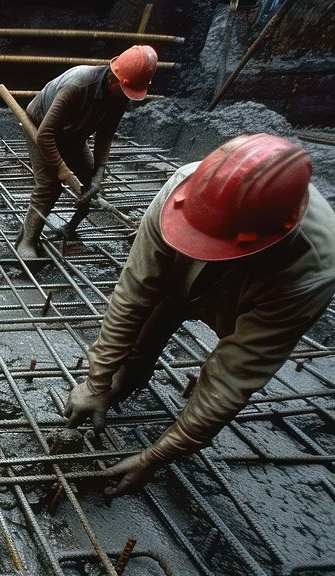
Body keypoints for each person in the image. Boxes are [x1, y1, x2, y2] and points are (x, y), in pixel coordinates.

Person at [64, 134, 335, 495]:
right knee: (143, 340)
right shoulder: (183, 191)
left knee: (211, 384)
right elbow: (134, 292)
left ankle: (137, 384)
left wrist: (157, 455)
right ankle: (130, 376)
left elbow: (232, 376)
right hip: (177, 282)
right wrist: (97, 381)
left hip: (245, 298)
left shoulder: (310, 270)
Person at [16, 44, 159, 260]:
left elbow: (105, 135)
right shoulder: (77, 86)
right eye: (126, 91)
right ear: (113, 79)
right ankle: (26, 242)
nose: (127, 97)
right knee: (49, 186)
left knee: (90, 187)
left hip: (74, 133)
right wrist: (62, 170)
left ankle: (69, 229)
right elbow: (45, 135)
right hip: (40, 126)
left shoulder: (120, 95)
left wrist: (99, 172)